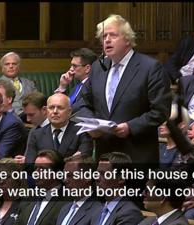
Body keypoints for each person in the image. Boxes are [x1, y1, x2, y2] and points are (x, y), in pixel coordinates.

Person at [79, 14, 171, 164]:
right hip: (105, 157)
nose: (107, 40)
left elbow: (161, 111)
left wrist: (130, 127)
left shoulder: (150, 67)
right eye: (103, 36)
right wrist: (91, 124)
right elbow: (83, 102)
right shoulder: (97, 68)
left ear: (127, 39)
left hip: (136, 156)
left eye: (113, 35)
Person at [25, 93, 93, 164]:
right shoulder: (36, 134)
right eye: (51, 108)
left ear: (69, 112)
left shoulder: (81, 132)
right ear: (46, 110)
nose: (55, 111)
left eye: (60, 108)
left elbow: (82, 163)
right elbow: (29, 165)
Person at [91, 152, 144, 225]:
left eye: (103, 174)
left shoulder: (129, 213)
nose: (96, 178)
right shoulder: (97, 209)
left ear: (121, 178)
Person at [16, 150, 67, 225]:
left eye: (42, 169)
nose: (36, 173)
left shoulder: (67, 202)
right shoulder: (28, 198)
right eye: (36, 168)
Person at [56, 154, 102, 225]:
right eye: (64, 176)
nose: (65, 180)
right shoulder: (64, 209)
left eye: (70, 175)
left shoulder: (98, 210)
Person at [55, 48, 97, 114]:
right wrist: (62, 86)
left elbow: (68, 109)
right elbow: (57, 105)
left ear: (87, 68)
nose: (71, 69)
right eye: (71, 65)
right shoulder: (77, 87)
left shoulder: (93, 87)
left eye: (74, 66)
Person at [14, 92, 49, 164]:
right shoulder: (33, 131)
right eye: (26, 115)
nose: (28, 119)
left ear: (44, 110)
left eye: (31, 115)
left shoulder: (55, 129)